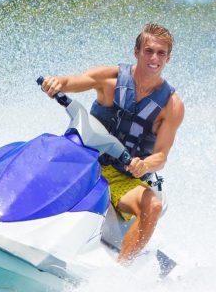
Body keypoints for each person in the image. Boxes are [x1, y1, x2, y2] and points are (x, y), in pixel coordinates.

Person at [41, 23, 184, 264]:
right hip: (84, 159)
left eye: (161, 53)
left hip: (123, 176)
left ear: (168, 58)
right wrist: (57, 82)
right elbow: (74, 81)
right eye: (148, 50)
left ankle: (120, 273)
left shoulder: (172, 106)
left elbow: (161, 155)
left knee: (153, 207)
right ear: (136, 51)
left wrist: (144, 164)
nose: (154, 58)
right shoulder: (111, 78)